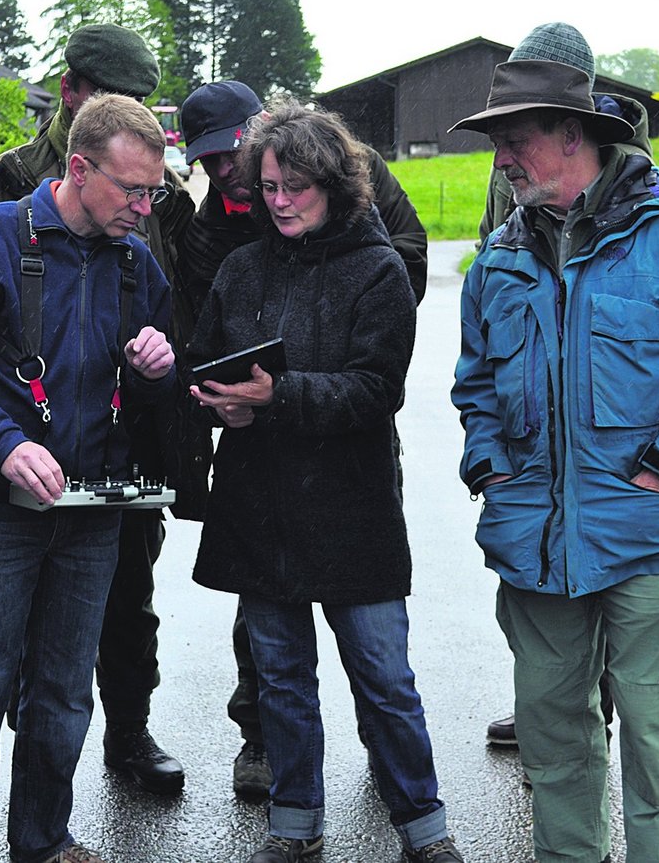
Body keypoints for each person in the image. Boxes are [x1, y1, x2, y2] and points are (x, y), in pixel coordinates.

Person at [450, 56, 659, 863]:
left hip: (648, 542)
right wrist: (492, 470)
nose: (502, 160)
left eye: (514, 140)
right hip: (533, 549)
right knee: (555, 748)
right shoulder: (498, 259)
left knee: (656, 757)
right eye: (496, 144)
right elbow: (476, 383)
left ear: (571, 131)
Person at [187, 101, 463, 863]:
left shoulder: (378, 269)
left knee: (383, 677)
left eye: (296, 186)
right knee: (280, 678)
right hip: (259, 502)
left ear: (335, 185)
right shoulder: (241, 269)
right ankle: (295, 825)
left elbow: (377, 388)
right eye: (269, 185)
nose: (279, 200)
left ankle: (425, 829)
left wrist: (276, 398)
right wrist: (214, 404)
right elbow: (203, 360)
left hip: (353, 505)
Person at [0, 94, 177, 863]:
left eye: (152, 191)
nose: (143, 205)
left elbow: (156, 387)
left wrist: (158, 365)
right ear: (77, 167)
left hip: (94, 514)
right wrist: (1, 444)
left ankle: (42, 840)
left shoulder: (139, 263)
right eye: (131, 189)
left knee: (64, 695)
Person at [0, 23, 192, 794]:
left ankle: (126, 733)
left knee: (129, 599)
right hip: (25, 443)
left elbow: (180, 301)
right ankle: (28, 755)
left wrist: (164, 370)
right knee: (12, 641)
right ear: (71, 93)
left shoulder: (162, 193)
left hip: (121, 442)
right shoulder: (9, 182)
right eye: (111, 97)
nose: (141, 200)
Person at [478, 21, 655, 753]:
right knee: (542, 566)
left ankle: (598, 704)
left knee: (609, 571)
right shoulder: (513, 164)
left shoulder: (624, 159)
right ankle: (550, 708)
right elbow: (499, 244)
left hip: (609, 420)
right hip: (531, 382)